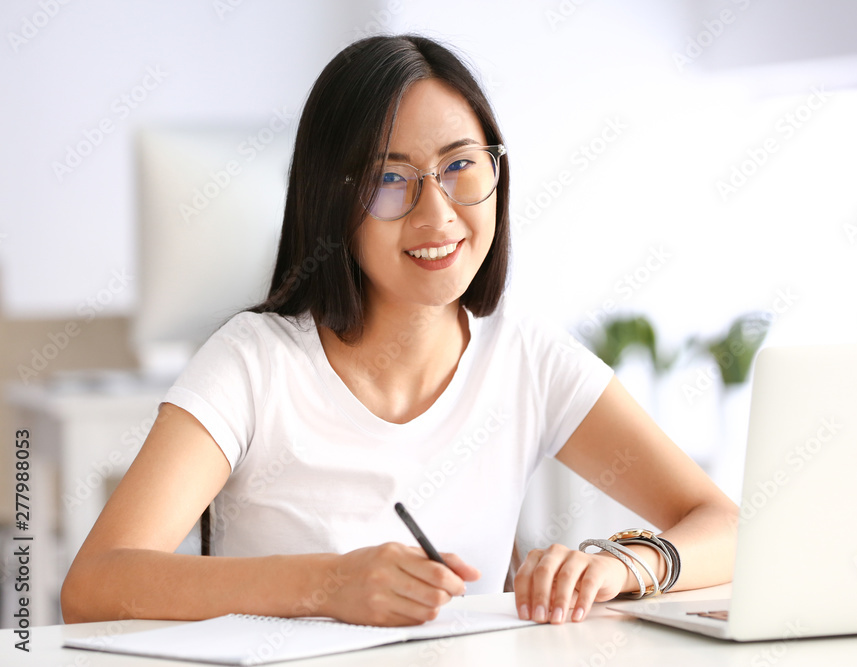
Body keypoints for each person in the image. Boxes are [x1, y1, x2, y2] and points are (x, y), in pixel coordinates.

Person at [61, 34, 738, 628]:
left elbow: (729, 524)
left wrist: (625, 565)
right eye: (390, 178)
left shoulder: (527, 357)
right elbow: (94, 584)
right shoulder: (253, 362)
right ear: (333, 200)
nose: (437, 212)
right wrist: (328, 583)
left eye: (459, 165)